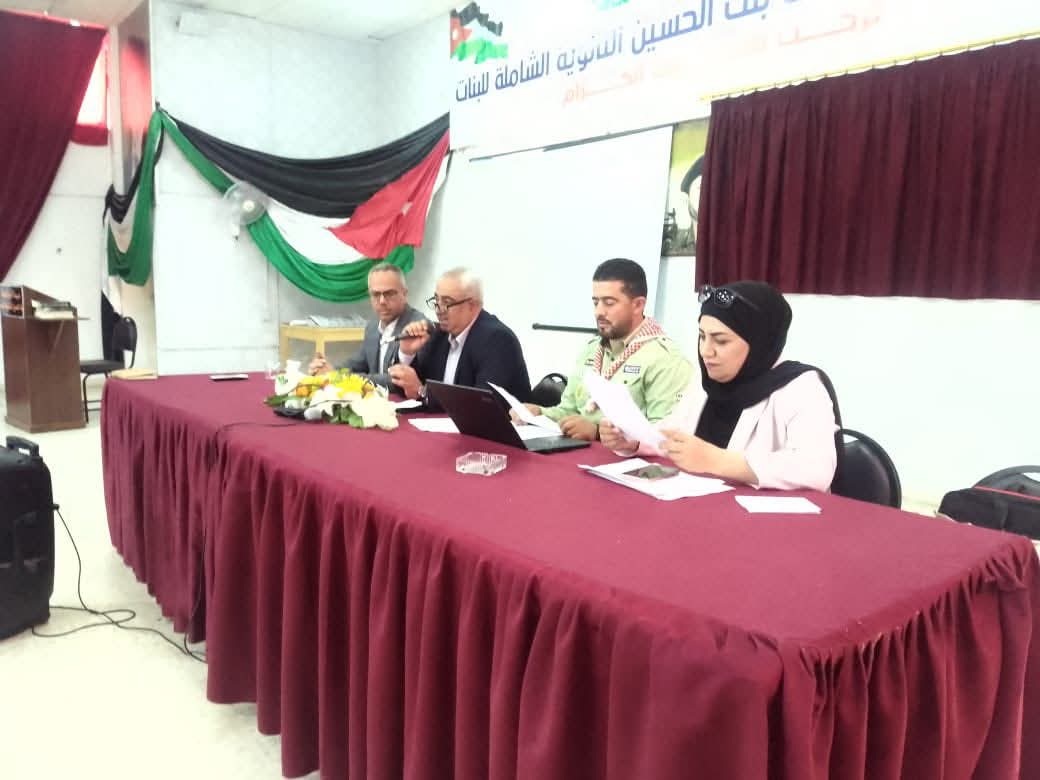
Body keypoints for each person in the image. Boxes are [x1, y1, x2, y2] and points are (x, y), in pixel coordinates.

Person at [599, 281, 838, 491]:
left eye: (721, 341)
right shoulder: (708, 382)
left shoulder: (801, 387)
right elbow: (677, 434)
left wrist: (717, 460)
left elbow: (815, 469)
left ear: (759, 342)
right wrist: (633, 440)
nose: (706, 351)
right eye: (702, 336)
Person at [515, 258, 692, 441]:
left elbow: (665, 438)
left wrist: (598, 432)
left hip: (623, 459)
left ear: (638, 305)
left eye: (609, 303)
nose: (598, 312)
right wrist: (538, 414)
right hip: (579, 452)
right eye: (595, 303)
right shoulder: (592, 349)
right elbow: (568, 411)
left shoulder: (665, 360)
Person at [388, 267, 530, 407]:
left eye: (447, 302)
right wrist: (407, 354)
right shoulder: (439, 336)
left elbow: (483, 404)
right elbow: (406, 389)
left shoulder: (497, 340)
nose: (439, 310)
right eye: (437, 301)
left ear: (472, 305)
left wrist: (423, 392)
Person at [308, 263, 426, 389]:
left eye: (389, 294)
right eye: (376, 294)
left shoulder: (417, 327)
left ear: (405, 294)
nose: (382, 301)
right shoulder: (373, 326)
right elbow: (357, 364)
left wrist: (338, 377)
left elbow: (395, 382)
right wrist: (328, 370)